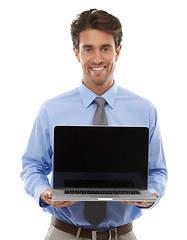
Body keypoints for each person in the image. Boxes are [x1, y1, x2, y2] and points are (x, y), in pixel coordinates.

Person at [21, 9, 168, 240]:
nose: (97, 58)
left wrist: (152, 193)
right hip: (64, 233)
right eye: (88, 49)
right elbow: (32, 166)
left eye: (105, 48)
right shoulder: (51, 109)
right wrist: (44, 193)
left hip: (122, 235)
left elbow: (158, 171)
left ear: (117, 52)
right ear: (76, 53)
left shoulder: (144, 110)